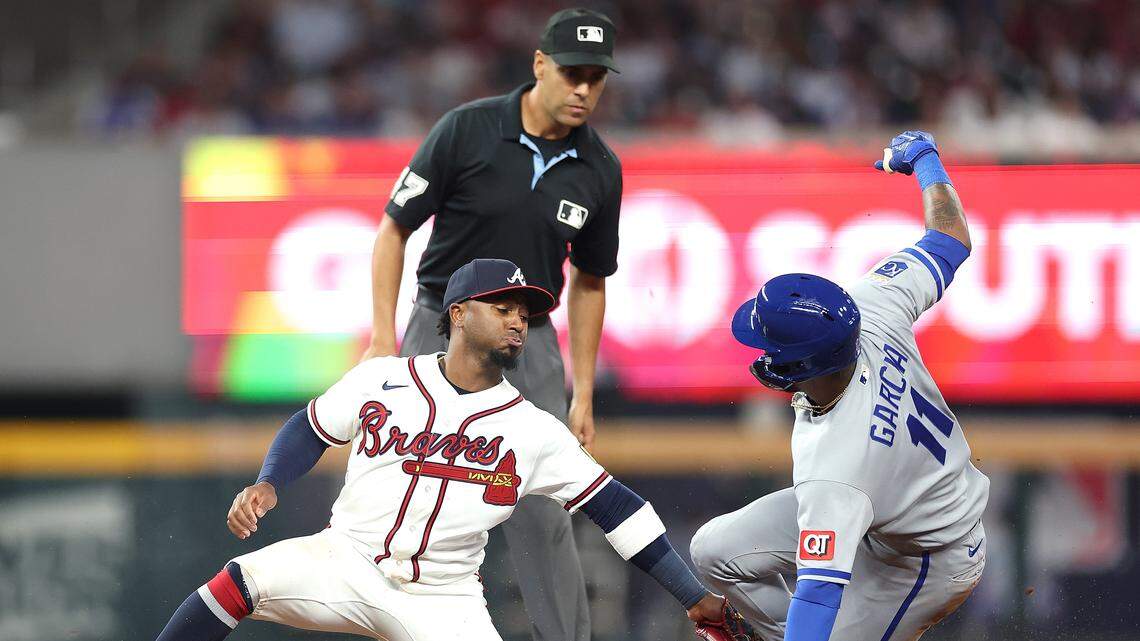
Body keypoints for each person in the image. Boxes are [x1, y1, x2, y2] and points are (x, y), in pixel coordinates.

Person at [154, 259, 754, 641]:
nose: (519, 322)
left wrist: (693, 596)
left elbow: (619, 510)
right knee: (232, 586)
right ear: (459, 313)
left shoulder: (532, 430)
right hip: (343, 560)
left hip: (443, 598)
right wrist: (268, 481)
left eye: (525, 313)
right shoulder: (382, 378)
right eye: (504, 309)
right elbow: (310, 427)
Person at [362, 8, 623, 641]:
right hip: (439, 329)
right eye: (571, 73)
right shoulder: (467, 130)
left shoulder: (599, 169)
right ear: (540, 65)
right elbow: (395, 228)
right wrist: (380, 339)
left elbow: (590, 281)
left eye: (596, 77)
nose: (584, 89)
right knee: (405, 493)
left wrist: (582, 388)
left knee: (541, 506)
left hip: (528, 343)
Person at [689, 132, 990, 641]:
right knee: (713, 552)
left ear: (806, 364)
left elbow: (818, 594)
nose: (760, 355)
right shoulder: (868, 308)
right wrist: (925, 160)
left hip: (923, 559)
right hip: (882, 510)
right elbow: (951, 238)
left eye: (770, 349)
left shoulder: (836, 467)